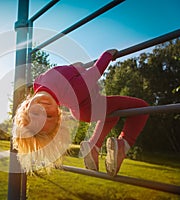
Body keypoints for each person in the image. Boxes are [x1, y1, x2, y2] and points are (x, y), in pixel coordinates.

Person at [12, 49, 149, 175]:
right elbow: (94, 73)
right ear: (58, 114)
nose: (44, 109)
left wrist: (75, 67)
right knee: (141, 108)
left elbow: (64, 74)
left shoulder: (39, 82)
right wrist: (108, 55)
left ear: (25, 106)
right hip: (90, 107)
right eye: (50, 116)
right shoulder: (74, 93)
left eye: (36, 113)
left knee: (111, 116)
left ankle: (94, 146)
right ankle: (123, 144)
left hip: (86, 107)